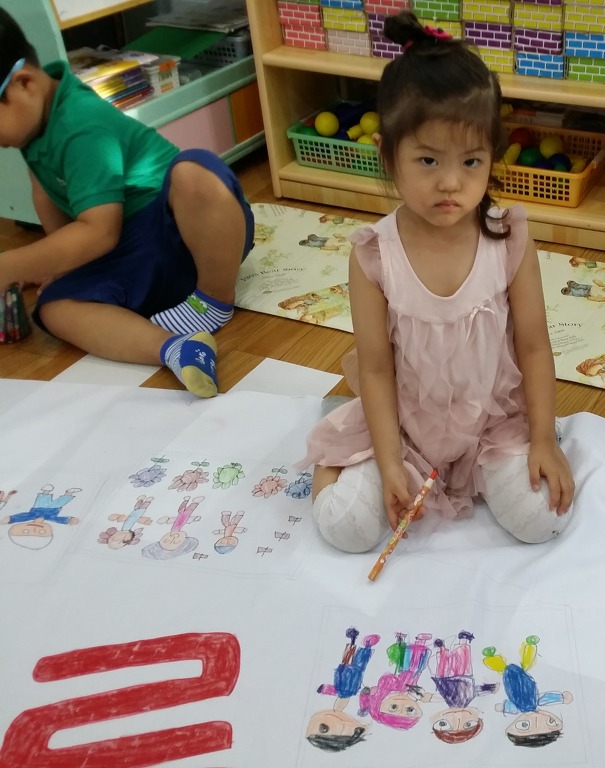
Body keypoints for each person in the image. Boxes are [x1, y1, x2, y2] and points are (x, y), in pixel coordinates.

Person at [302, 11, 575, 553]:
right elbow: (376, 368)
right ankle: (334, 455)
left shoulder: (509, 239)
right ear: (387, 154)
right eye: (427, 160)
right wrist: (387, 463)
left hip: (490, 424)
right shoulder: (374, 254)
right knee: (346, 529)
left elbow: (534, 347)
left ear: (492, 155)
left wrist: (544, 439)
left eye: (471, 161)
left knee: (544, 518)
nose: (451, 182)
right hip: (404, 425)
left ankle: (491, 462)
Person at [0, 8, 254, 398]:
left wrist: (11, 265)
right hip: (137, 255)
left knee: (195, 172)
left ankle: (214, 300)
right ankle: (176, 348)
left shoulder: (80, 123)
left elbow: (100, 233)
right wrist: (58, 265)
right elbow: (46, 189)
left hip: (188, 236)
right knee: (53, 307)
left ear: (24, 83)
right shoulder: (32, 123)